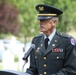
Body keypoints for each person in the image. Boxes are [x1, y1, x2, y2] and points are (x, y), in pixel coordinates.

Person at [26, 4, 76, 75]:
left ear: (54, 22)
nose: (40, 23)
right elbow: (33, 69)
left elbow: (71, 69)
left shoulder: (67, 41)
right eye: (40, 20)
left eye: (44, 20)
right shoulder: (36, 41)